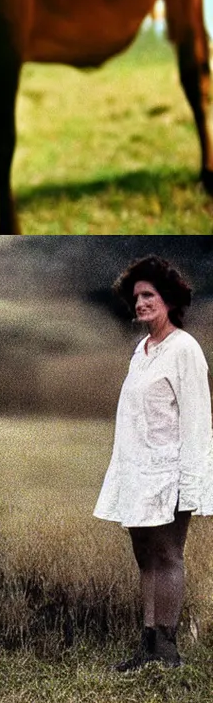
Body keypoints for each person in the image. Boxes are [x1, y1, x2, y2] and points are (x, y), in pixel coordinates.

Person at [95, 255, 211, 673]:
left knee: (168, 555)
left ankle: (168, 650)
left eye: (149, 295)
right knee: (144, 556)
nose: (141, 302)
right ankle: (148, 647)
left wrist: (192, 485)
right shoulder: (141, 351)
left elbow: (198, 421)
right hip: (138, 473)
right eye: (136, 296)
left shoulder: (184, 348)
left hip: (170, 474)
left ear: (168, 299)